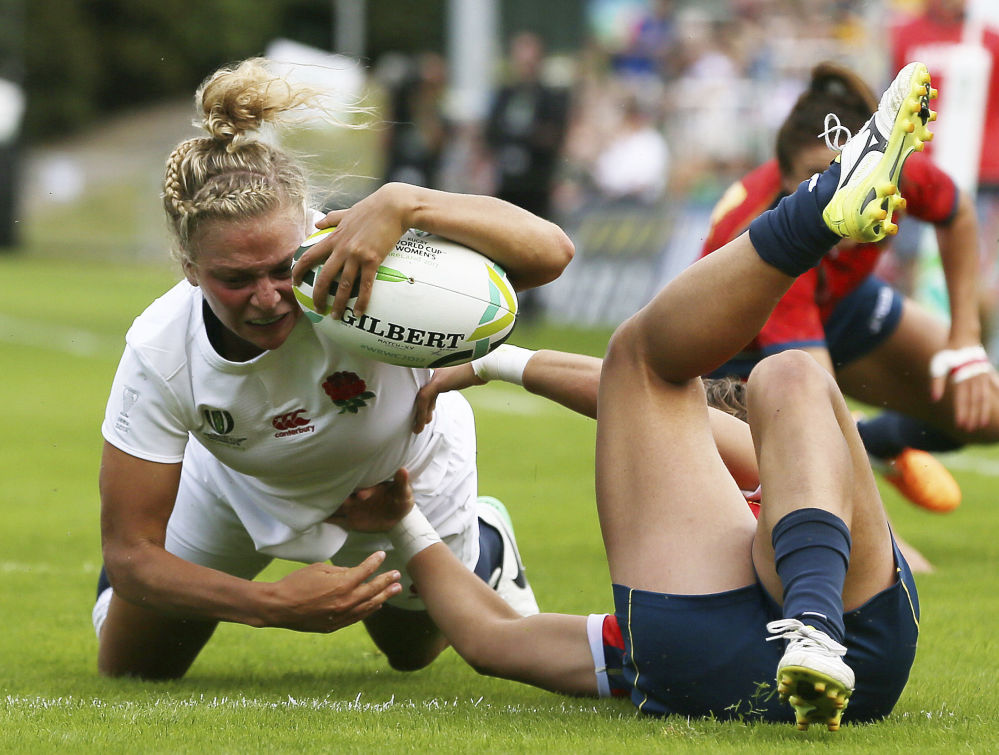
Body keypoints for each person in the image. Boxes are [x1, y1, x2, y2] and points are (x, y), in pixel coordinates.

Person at [336, 62, 933, 730]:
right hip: (867, 654)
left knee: (698, 369)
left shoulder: (639, 631)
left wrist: (404, 520)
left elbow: (490, 639)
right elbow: (639, 388)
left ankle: (818, 205)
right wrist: (495, 362)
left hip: (704, 662)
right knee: (785, 374)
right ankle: (813, 624)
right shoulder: (767, 472)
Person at [91, 57, 574, 680]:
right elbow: (130, 553)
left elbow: (550, 255)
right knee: (131, 669)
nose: (267, 297)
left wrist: (407, 203)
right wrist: (269, 605)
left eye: (280, 268)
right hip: (241, 486)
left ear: (306, 231)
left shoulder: (359, 261)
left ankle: (485, 542)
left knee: (411, 654)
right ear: (188, 266)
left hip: (399, 479)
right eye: (235, 279)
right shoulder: (160, 347)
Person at [700, 60, 999, 514]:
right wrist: (888, 549)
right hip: (736, 353)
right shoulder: (766, 241)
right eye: (818, 176)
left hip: (843, 304)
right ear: (784, 179)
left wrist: (966, 342)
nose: (841, 189)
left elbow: (955, 213)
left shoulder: (888, 169)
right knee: (788, 479)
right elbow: (818, 408)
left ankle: (879, 439)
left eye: (849, 171)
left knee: (985, 410)